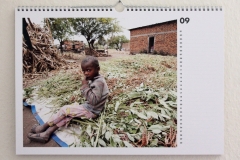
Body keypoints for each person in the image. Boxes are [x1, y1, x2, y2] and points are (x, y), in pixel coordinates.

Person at [28, 56, 109, 143]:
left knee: (65, 110)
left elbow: (94, 101)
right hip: (90, 108)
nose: (85, 73)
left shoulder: (99, 82)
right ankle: (47, 133)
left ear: (98, 69)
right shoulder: (95, 78)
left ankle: (43, 127)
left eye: (89, 70)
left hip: (92, 111)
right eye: (84, 71)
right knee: (68, 115)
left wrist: (85, 86)